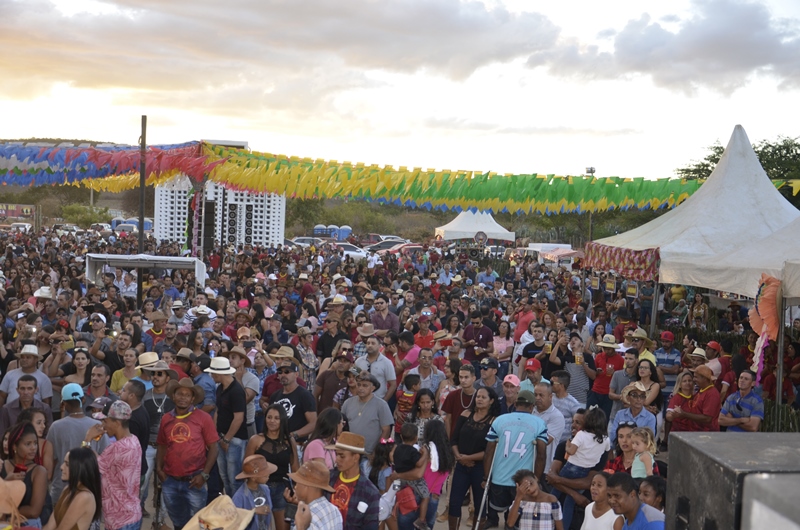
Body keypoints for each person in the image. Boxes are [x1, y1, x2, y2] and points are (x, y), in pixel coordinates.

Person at [156, 378, 218, 530]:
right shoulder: (166, 419)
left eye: (187, 395)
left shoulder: (203, 418)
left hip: (194, 480)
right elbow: (162, 445)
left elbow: (214, 448)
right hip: (170, 479)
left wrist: (204, 475)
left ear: (193, 398)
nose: (183, 397)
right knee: (178, 522)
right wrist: (159, 469)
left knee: (197, 523)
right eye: (180, 394)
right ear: (174, 396)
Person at [483, 390, 547, 530]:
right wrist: (537, 478)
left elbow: (489, 451)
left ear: (516, 404)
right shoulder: (539, 423)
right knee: (516, 517)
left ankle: (493, 520)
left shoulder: (499, 420)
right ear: (531, 406)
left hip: (499, 478)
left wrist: (486, 476)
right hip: (523, 481)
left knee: (498, 506)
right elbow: (541, 455)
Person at [84, 399, 142, 530]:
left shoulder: (117, 448)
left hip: (120, 520)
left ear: (117, 423)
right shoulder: (134, 440)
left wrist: (87, 439)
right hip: (131, 514)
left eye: (105, 421)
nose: (102, 425)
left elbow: (88, 464)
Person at [448, 387, 499, 530]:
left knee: (479, 504)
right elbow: (454, 439)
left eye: (483, 397)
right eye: (478, 397)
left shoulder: (494, 421)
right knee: (454, 502)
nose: (479, 399)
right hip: (461, 465)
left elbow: (491, 450)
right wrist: (459, 457)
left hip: (481, 468)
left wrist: (468, 457)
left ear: (492, 401)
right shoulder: (466, 414)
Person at [46, 384, 108, 501]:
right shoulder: (97, 426)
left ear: (63, 403)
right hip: (89, 490)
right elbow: (105, 458)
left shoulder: (55, 427)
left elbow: (50, 461)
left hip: (61, 490)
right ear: (83, 399)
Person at [244, 404, 299, 530]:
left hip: (282, 490)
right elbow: (246, 467)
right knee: (259, 526)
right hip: (260, 488)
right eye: (269, 417)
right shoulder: (256, 440)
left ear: (283, 420)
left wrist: (297, 489)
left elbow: (295, 467)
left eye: (276, 418)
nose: (272, 421)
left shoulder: (289, 441)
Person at [206, 356, 249, 496]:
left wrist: (226, 439)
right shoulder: (221, 388)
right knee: (225, 478)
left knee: (234, 479)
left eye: (213, 373)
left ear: (218, 373)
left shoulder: (236, 391)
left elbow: (239, 418)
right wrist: (214, 434)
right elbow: (218, 411)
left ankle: (236, 510)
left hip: (234, 439)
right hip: (223, 437)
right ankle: (231, 506)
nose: (212, 376)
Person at [326, 432, 380, 530]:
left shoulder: (370, 493)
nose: (337, 459)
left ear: (355, 457)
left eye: (342, 456)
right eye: (336, 454)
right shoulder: (328, 479)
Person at [44, 447, 102, 530]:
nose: (61, 467)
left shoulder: (84, 496)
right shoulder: (67, 489)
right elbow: (49, 527)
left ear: (79, 468)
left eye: (67, 464)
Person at [2, 422, 47, 527]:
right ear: (14, 446)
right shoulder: (2, 465)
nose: (33, 448)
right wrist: (6, 482)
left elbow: (34, 511)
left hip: (28, 524)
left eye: (35, 443)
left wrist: (5, 511)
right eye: (28, 444)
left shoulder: (39, 471)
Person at [341, 373, 392, 456]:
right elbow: (341, 425)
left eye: (365, 385)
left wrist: (376, 453)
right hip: (350, 452)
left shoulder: (381, 405)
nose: (361, 388)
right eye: (359, 385)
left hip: (370, 453)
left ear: (373, 388)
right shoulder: (348, 403)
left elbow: (386, 431)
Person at [269, 359, 318, 443]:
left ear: (296, 374)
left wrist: (293, 435)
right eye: (280, 372)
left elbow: (313, 423)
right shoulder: (275, 395)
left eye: (287, 372)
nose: (283, 375)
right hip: (276, 443)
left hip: (297, 444)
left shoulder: (304, 395)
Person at [285, 461, 342, 530]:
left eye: (297, 483)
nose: (295, 487)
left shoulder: (306, 519)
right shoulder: (334, 510)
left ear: (306, 486)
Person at [562, 407, 610, 481]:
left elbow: (571, 451)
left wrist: (567, 445)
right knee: (576, 489)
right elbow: (609, 453)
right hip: (587, 470)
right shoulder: (606, 439)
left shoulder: (581, 434)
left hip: (571, 467)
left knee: (558, 488)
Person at [231, 455, 277, 530]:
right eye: (265, 475)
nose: (268, 475)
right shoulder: (239, 496)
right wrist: (253, 511)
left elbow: (269, 515)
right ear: (253, 477)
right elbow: (233, 517)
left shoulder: (266, 489)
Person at [670, 365, 720, 432]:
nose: (693, 379)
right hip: (696, 432)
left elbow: (707, 418)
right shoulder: (701, 390)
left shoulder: (712, 393)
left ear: (704, 378)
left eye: (696, 377)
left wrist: (684, 414)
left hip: (707, 434)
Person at [587, 336, 624, 421]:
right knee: (589, 416)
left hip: (609, 394)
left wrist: (614, 373)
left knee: (605, 419)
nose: (607, 351)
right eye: (605, 348)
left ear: (613, 348)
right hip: (595, 390)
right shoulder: (599, 356)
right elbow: (593, 372)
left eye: (609, 349)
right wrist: (597, 371)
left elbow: (622, 377)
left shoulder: (620, 360)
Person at [533, 382, 565, 473]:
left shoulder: (557, 416)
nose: (537, 398)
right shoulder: (530, 411)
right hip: (527, 464)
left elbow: (544, 441)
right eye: (535, 395)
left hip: (545, 468)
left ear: (550, 397)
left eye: (541, 395)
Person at [353, 336, 397, 401]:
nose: (370, 345)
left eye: (373, 343)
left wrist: (384, 401)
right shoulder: (358, 361)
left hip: (379, 399)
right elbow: (352, 378)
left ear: (379, 346)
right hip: (360, 399)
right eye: (368, 343)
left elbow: (393, 384)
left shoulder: (387, 362)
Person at [550, 371, 581, 444]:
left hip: (563, 442)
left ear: (561, 385)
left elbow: (578, 425)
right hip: (548, 439)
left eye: (552, 383)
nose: (550, 385)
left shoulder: (573, 404)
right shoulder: (549, 398)